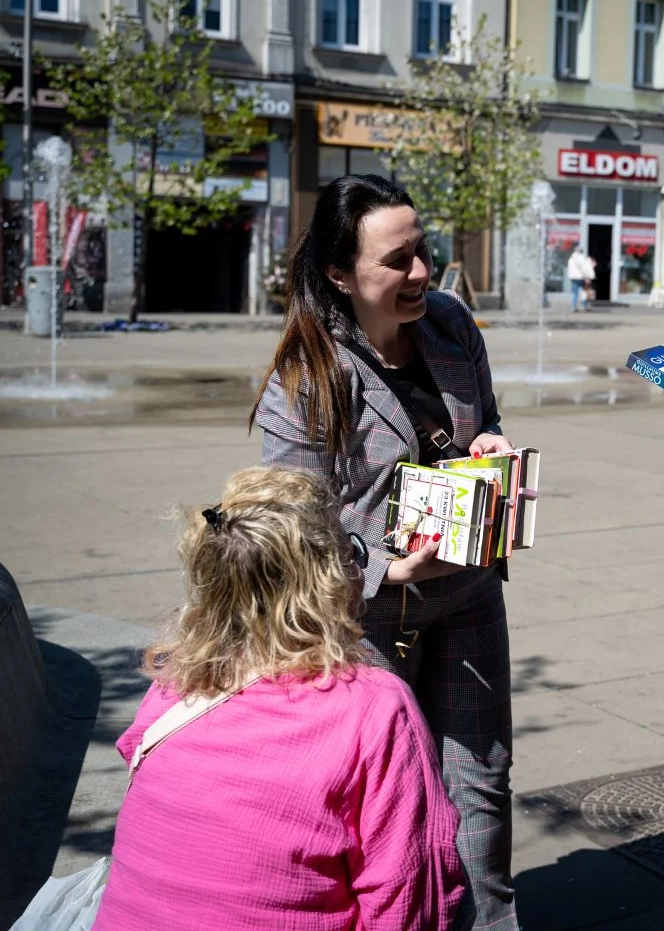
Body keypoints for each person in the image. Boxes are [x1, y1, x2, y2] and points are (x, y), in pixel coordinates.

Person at [252, 175, 520, 931]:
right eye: (397, 261)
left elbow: (484, 420)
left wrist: (491, 449)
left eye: (423, 251)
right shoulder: (309, 378)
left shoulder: (451, 326)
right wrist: (385, 566)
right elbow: (292, 529)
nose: (421, 274)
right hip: (363, 623)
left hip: (467, 596)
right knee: (383, 808)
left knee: (482, 786)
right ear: (341, 275)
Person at [94, 466, 464, 930]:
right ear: (325, 581)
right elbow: (411, 901)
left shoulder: (174, 680)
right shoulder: (373, 707)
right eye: (352, 555)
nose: (357, 569)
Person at [567, 245, 590, 312]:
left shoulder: (571, 258)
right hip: (580, 277)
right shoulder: (582, 258)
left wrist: (570, 276)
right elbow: (585, 268)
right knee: (583, 291)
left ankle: (574, 306)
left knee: (575, 292)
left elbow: (569, 269)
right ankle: (584, 305)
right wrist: (587, 276)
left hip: (573, 277)